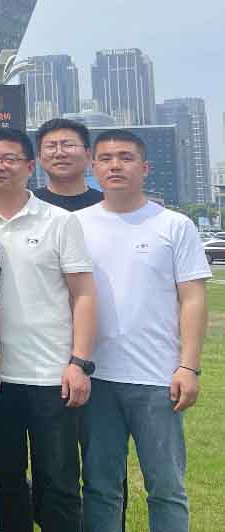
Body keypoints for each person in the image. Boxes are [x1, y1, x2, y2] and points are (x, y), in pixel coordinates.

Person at [77, 130, 210, 532]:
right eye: (105, 158)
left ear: (145, 167)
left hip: (157, 378)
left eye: (126, 157)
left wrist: (188, 367)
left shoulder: (174, 225)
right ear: (93, 167)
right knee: (100, 487)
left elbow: (193, 298)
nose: (115, 165)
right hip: (96, 377)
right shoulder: (76, 225)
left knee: (166, 487)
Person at [0, 127, 96, 532]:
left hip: (51, 374)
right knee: (5, 477)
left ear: (30, 167)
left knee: (59, 480)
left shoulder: (59, 221)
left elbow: (83, 294)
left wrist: (79, 362)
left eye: (9, 159)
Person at [33, 118, 104, 212]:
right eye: (51, 146)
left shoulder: (107, 205)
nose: (59, 153)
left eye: (68, 145)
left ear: (88, 155)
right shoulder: (28, 205)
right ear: (39, 157)